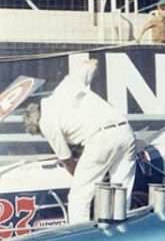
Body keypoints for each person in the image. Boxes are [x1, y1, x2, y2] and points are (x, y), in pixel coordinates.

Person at [22, 59, 136, 225]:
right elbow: (90, 64)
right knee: (121, 188)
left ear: (36, 122)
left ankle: (78, 234)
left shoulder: (46, 123)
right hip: (125, 129)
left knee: (79, 195)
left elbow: (67, 161)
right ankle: (123, 228)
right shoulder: (64, 88)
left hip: (101, 138)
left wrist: (84, 174)